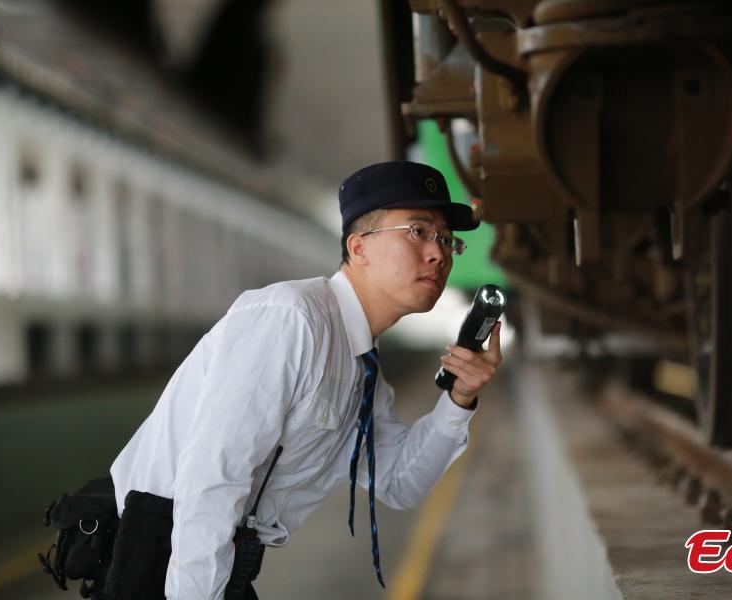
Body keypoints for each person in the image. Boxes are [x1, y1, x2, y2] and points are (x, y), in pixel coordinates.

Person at [104, 161, 503, 599]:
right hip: (158, 555)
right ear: (359, 247)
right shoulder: (291, 320)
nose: (439, 253)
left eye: (446, 239)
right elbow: (213, 480)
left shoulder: (360, 367)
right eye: (418, 231)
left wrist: (459, 398)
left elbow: (400, 482)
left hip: (213, 562)